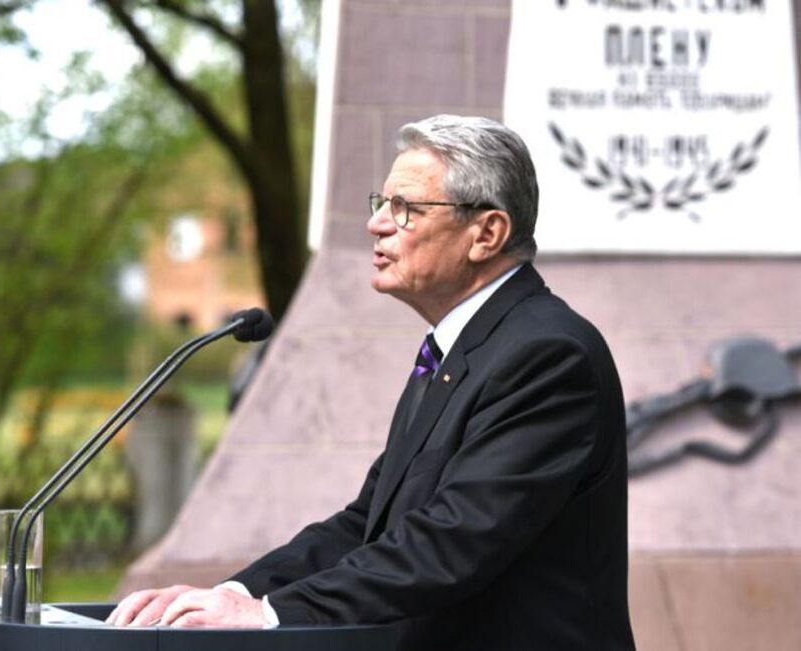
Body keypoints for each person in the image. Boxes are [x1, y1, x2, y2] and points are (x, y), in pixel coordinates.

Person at [108, 115, 636, 650]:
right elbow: (367, 525)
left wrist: (270, 615)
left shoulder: (546, 355)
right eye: (380, 204)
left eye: (405, 208)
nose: (377, 224)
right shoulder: (458, 349)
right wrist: (236, 593)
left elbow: (452, 542)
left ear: (487, 234)